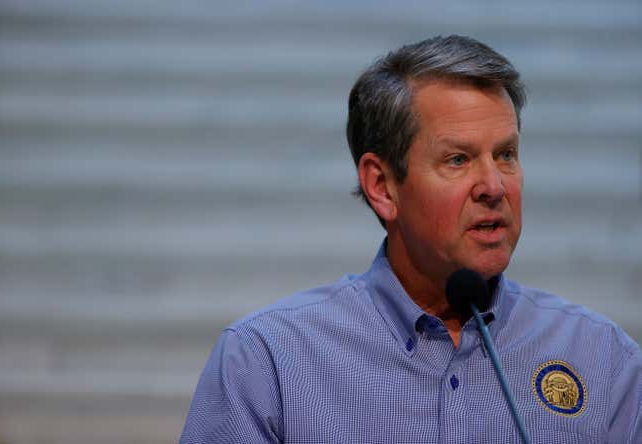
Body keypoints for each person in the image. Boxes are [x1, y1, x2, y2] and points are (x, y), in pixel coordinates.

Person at [180, 35, 641, 443]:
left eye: (506, 155)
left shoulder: (603, 360)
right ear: (382, 186)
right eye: (458, 159)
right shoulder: (269, 362)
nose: (494, 186)